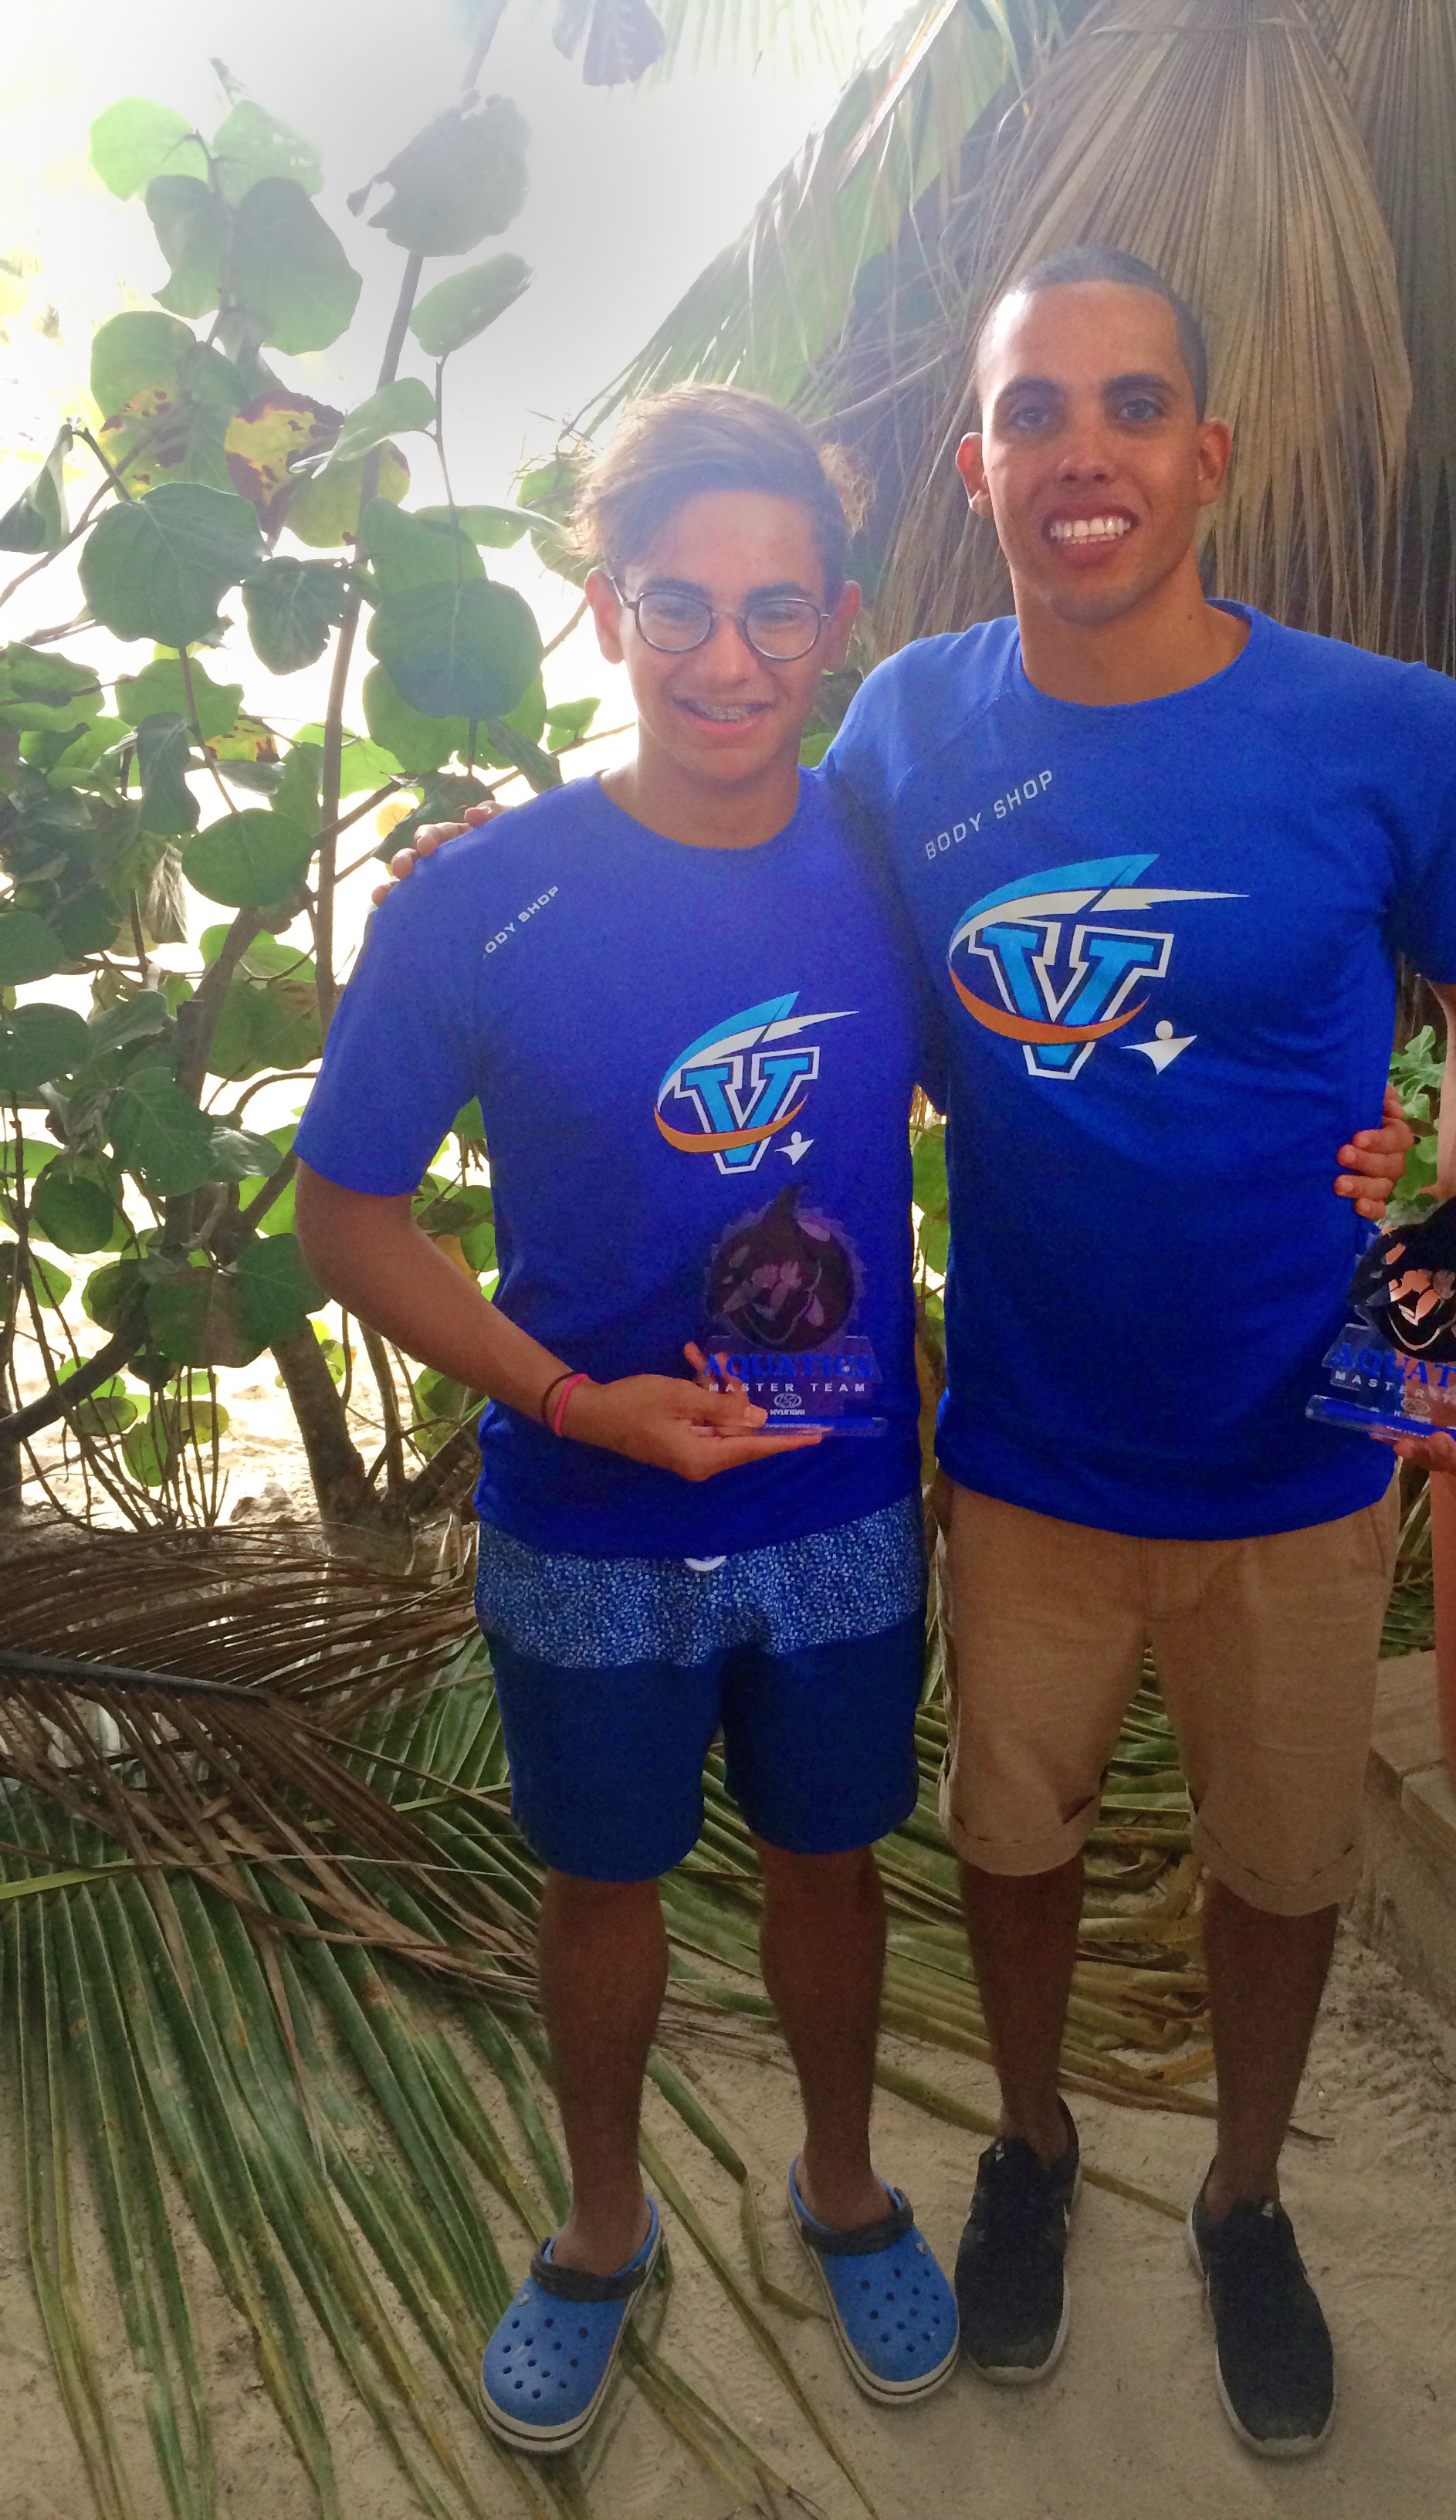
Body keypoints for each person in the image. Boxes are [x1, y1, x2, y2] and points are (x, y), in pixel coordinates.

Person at [390, 248, 1456, 2464]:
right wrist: (494, 875)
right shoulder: (910, 731)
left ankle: (1242, 2201)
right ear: (978, 464)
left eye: (1134, 406)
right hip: (1018, 1452)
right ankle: (1029, 2152)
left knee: (1284, 1867)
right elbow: (736, 858)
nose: (1084, 453)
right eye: (1038, 413)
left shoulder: (1396, 734)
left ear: (1208, 453)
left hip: (1309, 1453)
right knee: (1011, 1845)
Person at [294, 390, 964, 2454]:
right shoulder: (480, 900)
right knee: (600, 1887)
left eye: (778, 612)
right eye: (682, 607)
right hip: (586, 1519)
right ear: (610, 612)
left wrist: (1356, 1153)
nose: (729, 659)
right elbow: (345, 1214)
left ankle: (839, 2186)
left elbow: (1063, 1063)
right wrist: (577, 1400)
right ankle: (602, 2229)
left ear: (837, 621)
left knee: (833, 1864)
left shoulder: (890, 864)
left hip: (842, 1503)